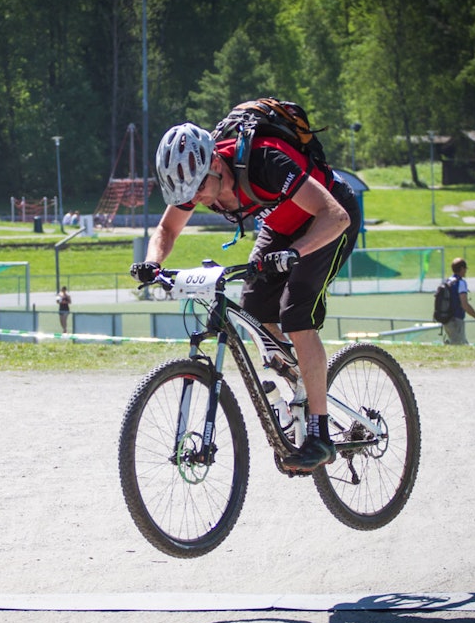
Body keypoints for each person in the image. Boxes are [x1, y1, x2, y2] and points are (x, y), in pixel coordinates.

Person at [131, 121, 361, 472]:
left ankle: (320, 435)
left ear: (216, 165)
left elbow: (336, 215)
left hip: (328, 219)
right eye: (189, 195)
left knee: (296, 313)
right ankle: (301, 381)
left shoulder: (266, 161)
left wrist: (295, 252)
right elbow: (167, 228)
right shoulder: (195, 181)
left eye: (201, 189)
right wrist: (152, 263)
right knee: (253, 310)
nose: (199, 199)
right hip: (280, 225)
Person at [441, 258, 475, 345]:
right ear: (462, 269)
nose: (466, 271)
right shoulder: (461, 283)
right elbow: (465, 305)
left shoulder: (447, 282)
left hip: (445, 320)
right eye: (465, 268)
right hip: (456, 320)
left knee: (452, 345)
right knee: (460, 347)